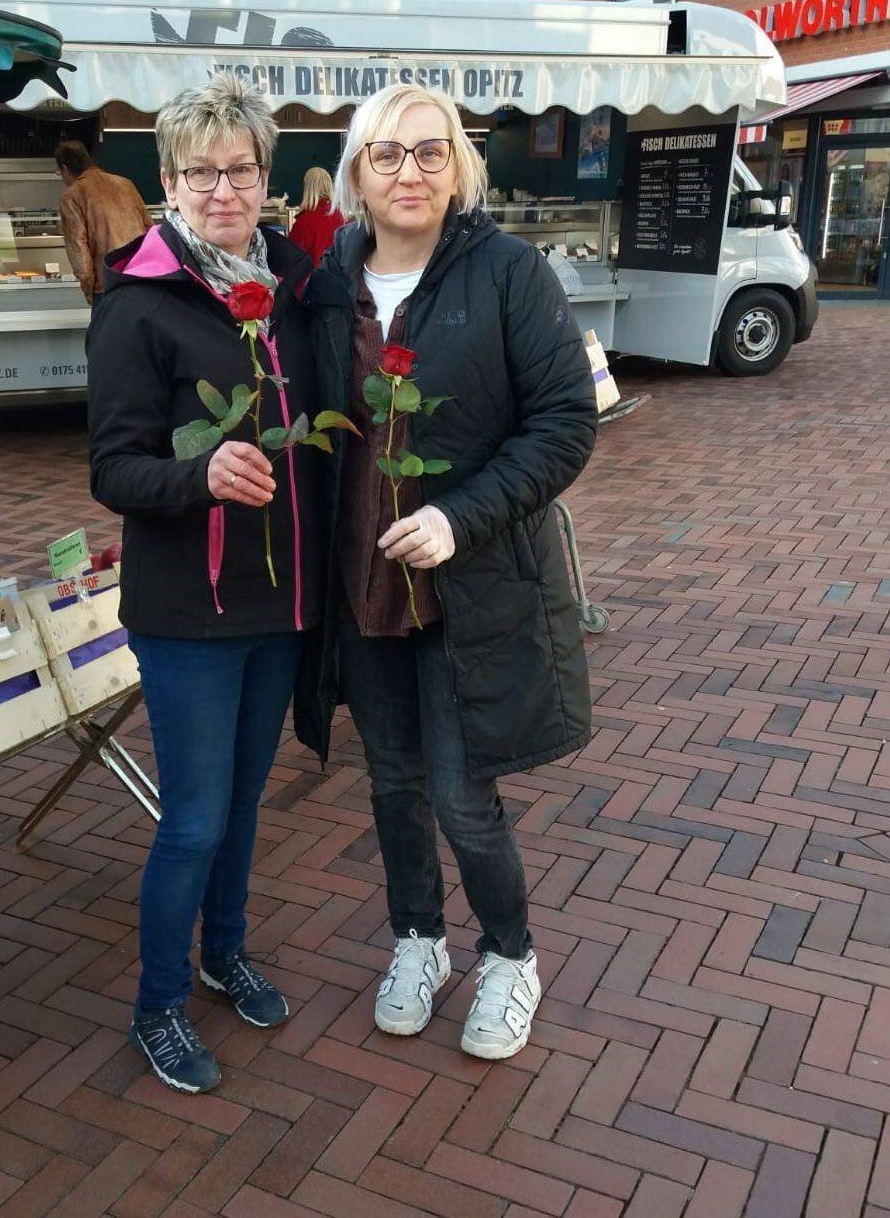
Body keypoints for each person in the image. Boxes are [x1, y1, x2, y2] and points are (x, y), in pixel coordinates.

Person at [297, 82, 597, 1062]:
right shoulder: (327, 284)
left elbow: (563, 422)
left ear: (459, 166)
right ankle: (417, 939)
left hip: (472, 588)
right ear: (356, 172)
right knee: (392, 781)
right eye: (387, 153)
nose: (409, 171)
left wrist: (456, 517)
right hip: (363, 584)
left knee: (464, 796)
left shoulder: (508, 273)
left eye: (431, 151)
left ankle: (509, 955)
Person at [88, 76, 322, 1094]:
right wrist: (199, 477)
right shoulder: (137, 304)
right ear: (168, 180)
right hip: (188, 610)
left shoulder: (295, 287)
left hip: (279, 604)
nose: (221, 189)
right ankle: (157, 1005)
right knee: (191, 818)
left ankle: (224, 952)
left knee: (243, 802)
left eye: (239, 169)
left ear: (266, 178)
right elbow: (113, 468)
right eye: (199, 171)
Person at [55, 140, 153, 304]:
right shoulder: (125, 184)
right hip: (140, 277)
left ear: (65, 169)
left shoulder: (71, 196)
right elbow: (150, 230)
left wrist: (89, 292)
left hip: (108, 285)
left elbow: (79, 250)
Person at [288, 166, 346, 268]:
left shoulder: (304, 221)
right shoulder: (342, 217)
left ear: (307, 188)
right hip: (339, 276)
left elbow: (291, 259)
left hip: (312, 277)